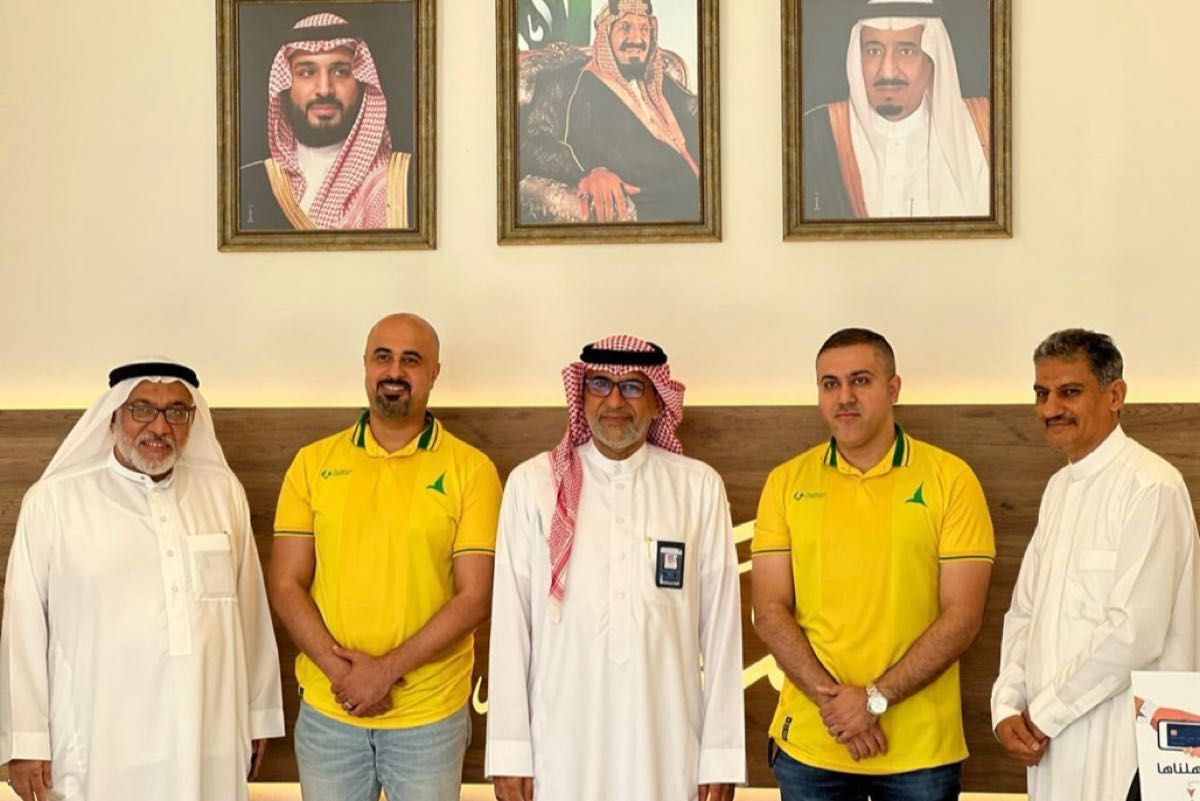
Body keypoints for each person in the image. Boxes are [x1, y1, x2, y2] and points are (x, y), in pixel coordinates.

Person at [0, 358, 284, 801]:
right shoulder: (54, 501)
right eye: (142, 409)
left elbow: (249, 612)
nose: (160, 426)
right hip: (98, 741)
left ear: (192, 420)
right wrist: (26, 741)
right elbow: (23, 626)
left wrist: (258, 713)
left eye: (176, 411)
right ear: (113, 417)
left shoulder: (222, 492)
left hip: (206, 732)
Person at [486, 335, 745, 801]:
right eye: (600, 384)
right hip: (557, 752)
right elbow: (510, 628)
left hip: (667, 751)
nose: (613, 402)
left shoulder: (698, 488)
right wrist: (509, 754)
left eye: (631, 387)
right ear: (580, 395)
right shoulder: (533, 484)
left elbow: (723, 634)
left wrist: (721, 757)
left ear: (658, 402)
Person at [752, 328, 994, 801]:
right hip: (811, 747)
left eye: (860, 380)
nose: (844, 397)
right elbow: (770, 610)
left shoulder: (951, 479)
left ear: (893, 388)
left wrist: (874, 700)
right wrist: (839, 709)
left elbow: (963, 618)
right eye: (830, 384)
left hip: (920, 754)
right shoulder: (785, 482)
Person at [269, 314, 501, 801]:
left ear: (434, 372)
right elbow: (286, 584)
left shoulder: (472, 470)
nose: (395, 371)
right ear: (365, 365)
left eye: (411, 360)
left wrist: (383, 672)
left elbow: (476, 596)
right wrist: (346, 677)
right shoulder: (312, 463)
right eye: (383, 357)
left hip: (429, 718)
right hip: (330, 714)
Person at [991, 329, 1200, 801]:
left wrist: (1042, 714)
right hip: (1050, 744)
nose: (1050, 408)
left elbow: (1135, 634)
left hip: (1132, 749)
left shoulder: (1152, 486)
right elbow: (1024, 614)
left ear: (1115, 395)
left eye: (1069, 392)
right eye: (1041, 393)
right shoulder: (1058, 489)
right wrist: (1006, 704)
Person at [803, 0, 990, 220]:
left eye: (906, 51)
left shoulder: (983, 129)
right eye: (874, 51)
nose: (887, 71)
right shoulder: (816, 133)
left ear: (932, 60)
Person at [521, 0, 701, 223]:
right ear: (605, 34)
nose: (637, 39)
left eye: (644, 29)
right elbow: (533, 142)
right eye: (625, 27)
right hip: (650, 209)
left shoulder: (658, 81)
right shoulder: (570, 82)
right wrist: (589, 172)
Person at [239, 12, 414, 231]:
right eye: (307, 72)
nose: (324, 89)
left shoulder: (407, 182)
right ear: (285, 84)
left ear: (362, 82)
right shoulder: (247, 185)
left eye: (341, 72)